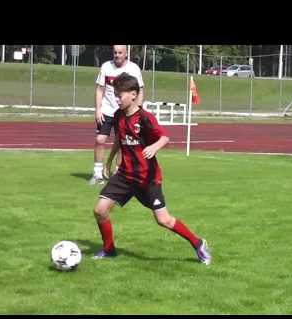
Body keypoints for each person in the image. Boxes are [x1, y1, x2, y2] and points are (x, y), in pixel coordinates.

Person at [92, 73, 212, 265]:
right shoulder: (118, 115)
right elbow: (119, 139)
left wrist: (153, 147)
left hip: (147, 178)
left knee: (163, 220)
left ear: (133, 94)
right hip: (124, 175)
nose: (116, 98)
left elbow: (165, 138)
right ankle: (109, 249)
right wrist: (109, 161)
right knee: (100, 210)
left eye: (119, 95)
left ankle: (198, 243)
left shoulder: (145, 118)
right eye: (114, 94)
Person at [90, 45, 145, 185]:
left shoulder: (133, 69)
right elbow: (99, 89)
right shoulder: (106, 67)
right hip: (107, 111)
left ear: (126, 53)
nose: (117, 55)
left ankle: (118, 171)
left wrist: (137, 110)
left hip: (125, 112)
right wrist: (98, 109)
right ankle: (97, 173)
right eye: (115, 52)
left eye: (120, 52)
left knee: (122, 143)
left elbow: (140, 91)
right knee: (100, 140)